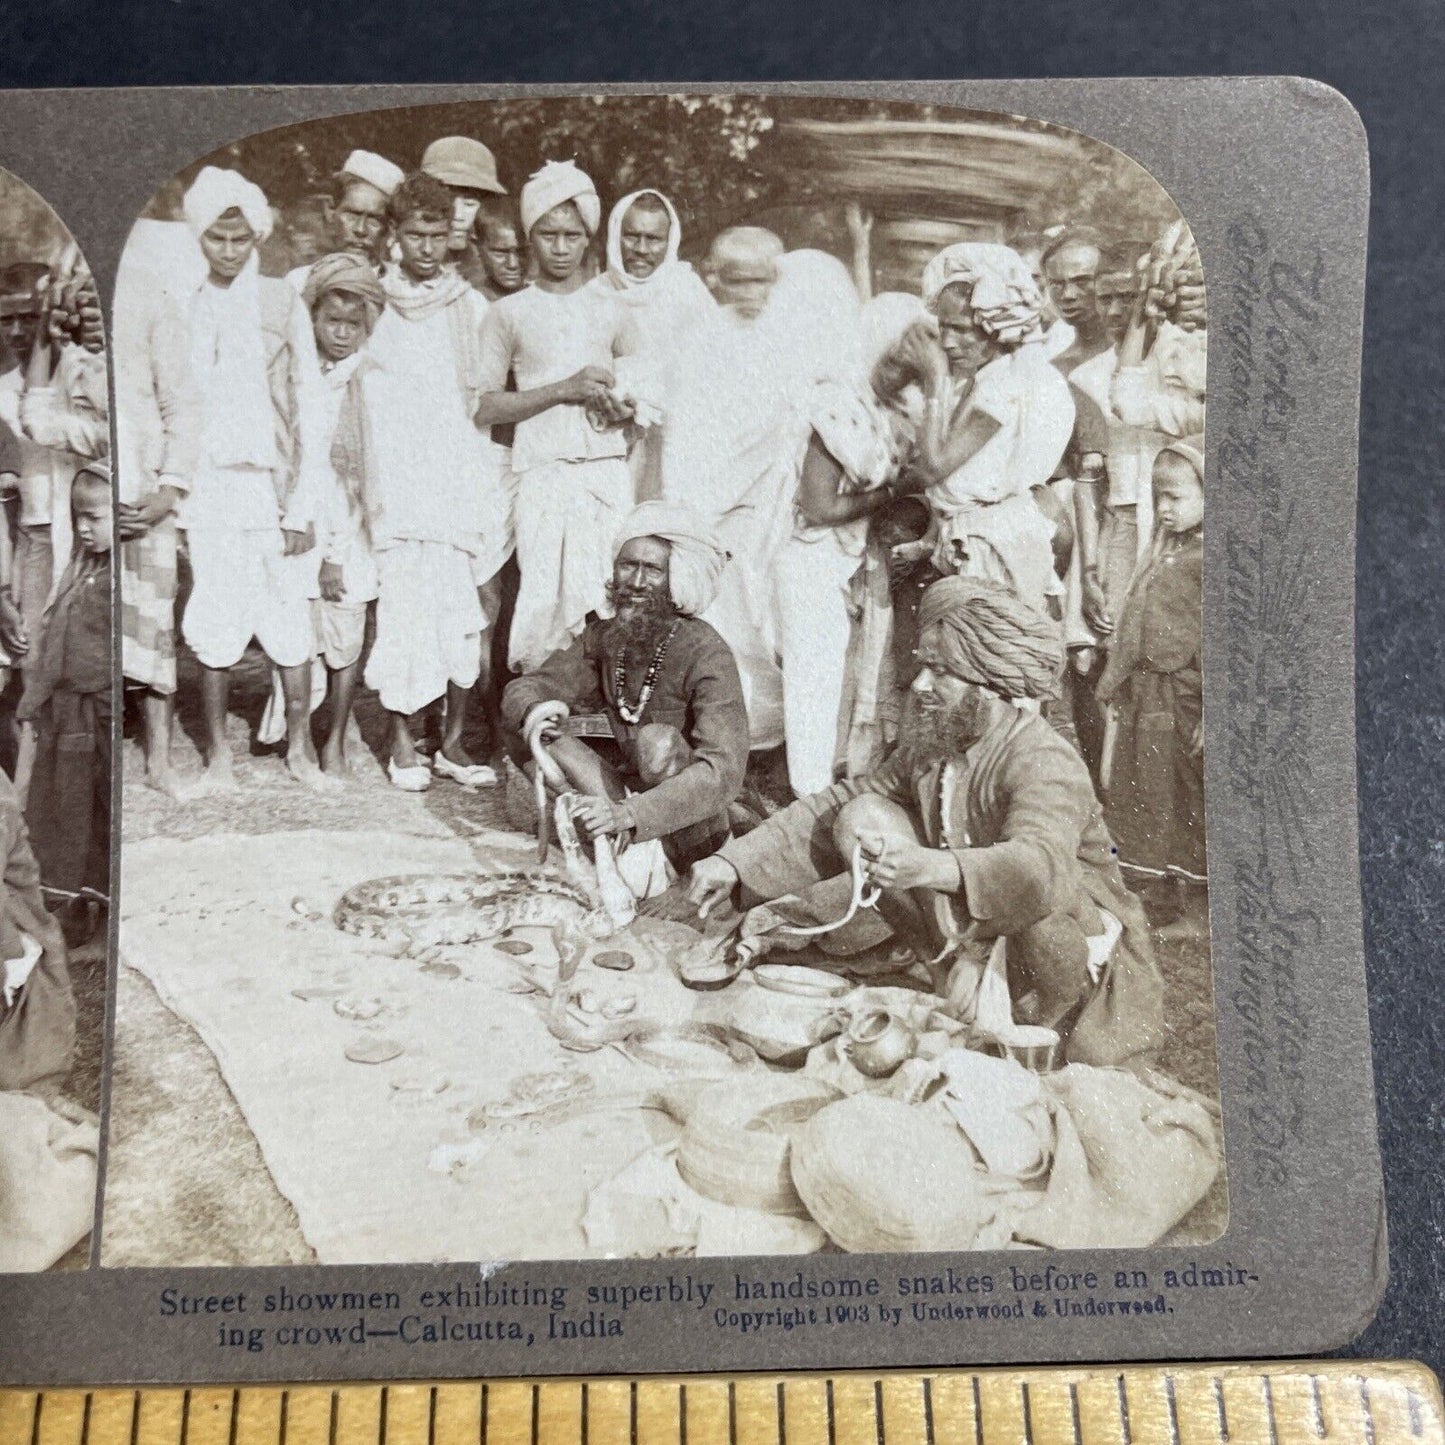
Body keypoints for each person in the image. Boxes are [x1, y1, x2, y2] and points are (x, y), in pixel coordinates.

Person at [688, 575, 1165, 1068]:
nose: (920, 686)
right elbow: (840, 802)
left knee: (1051, 919)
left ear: (990, 684)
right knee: (861, 817)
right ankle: (949, 968)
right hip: (984, 927)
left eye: (940, 672)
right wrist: (733, 862)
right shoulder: (936, 743)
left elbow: (1039, 869)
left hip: (1065, 940)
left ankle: (1047, 1029)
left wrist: (928, 866)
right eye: (923, 668)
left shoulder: (1043, 758)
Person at [711, 292, 929, 796]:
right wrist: (896, 491)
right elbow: (819, 507)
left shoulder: (892, 409)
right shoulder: (836, 403)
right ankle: (807, 795)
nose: (904, 369)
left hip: (849, 554)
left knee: (848, 677)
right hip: (808, 554)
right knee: (815, 681)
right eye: (897, 355)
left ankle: (833, 783)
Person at [334, 173, 510, 790]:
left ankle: (455, 745)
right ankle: (402, 741)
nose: (427, 248)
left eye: (437, 234)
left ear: (451, 236)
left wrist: (476, 485)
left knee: (461, 617)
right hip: (398, 484)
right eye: (415, 235)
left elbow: (481, 403)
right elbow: (358, 393)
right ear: (395, 235)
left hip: (457, 480)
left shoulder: (471, 306)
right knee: (404, 616)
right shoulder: (373, 303)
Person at [502, 501, 745, 902]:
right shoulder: (603, 635)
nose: (635, 581)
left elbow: (722, 773)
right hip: (622, 802)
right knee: (538, 729)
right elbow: (531, 686)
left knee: (658, 743)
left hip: (686, 824)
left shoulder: (707, 652)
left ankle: (667, 863)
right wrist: (535, 709)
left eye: (653, 570)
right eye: (628, 565)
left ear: (677, 580)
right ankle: (618, 850)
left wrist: (632, 816)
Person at [176, 165, 329, 794]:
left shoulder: (279, 300)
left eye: (240, 239)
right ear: (200, 238)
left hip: (274, 486)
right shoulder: (185, 303)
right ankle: (218, 759)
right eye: (218, 239)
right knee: (214, 618)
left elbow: (309, 402)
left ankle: (301, 751)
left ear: (257, 237)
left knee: (288, 618)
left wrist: (302, 507)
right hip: (211, 490)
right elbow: (177, 401)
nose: (230, 251)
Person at [475, 160, 640, 674]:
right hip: (541, 472)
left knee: (605, 594)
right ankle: (534, 719)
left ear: (589, 238)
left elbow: (641, 398)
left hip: (604, 471)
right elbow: (484, 405)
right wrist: (563, 390)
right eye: (549, 234)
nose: (562, 247)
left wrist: (623, 408)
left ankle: (601, 723)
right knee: (542, 598)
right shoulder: (508, 313)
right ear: (531, 238)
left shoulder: (613, 308)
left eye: (573, 235)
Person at [909, 242, 1075, 616]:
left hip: (992, 547)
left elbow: (934, 467)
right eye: (942, 327)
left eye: (961, 329)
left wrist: (934, 380)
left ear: (995, 327)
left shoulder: (1005, 386)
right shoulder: (985, 379)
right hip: (970, 538)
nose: (947, 342)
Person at [1096, 439, 1206, 942]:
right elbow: (1137, 622)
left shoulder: (1211, 559)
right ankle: (1149, 885)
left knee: (1174, 794)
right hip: (1147, 695)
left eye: (1176, 497)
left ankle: (1181, 897)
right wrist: (1117, 677)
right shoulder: (1165, 553)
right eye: (1158, 496)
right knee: (1143, 790)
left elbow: (1221, 641)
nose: (1164, 508)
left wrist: (1211, 709)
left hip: (1181, 696)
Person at [295, 254, 385, 776]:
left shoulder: (364, 380)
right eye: (332, 321)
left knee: (346, 633)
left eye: (353, 324)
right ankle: (302, 734)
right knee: (305, 631)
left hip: (348, 530)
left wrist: (333, 554)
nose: (341, 333)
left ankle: (334, 736)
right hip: (306, 516)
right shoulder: (306, 374)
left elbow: (354, 476)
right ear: (314, 318)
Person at [18, 463, 111, 952]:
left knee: (102, 811)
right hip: (71, 718)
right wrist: (35, 698)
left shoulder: (122, 584)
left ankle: (105, 902)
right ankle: (74, 906)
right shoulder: (79, 578)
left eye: (94, 517)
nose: (82, 527)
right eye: (78, 517)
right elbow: (55, 649)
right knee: (67, 812)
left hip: (103, 716)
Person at [114, 284, 201, 798]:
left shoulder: (149, 298)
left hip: (146, 499)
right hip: (86, 496)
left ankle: (159, 762)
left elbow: (182, 405)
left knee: (152, 628)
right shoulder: (69, 296)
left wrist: (168, 490)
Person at [587, 189, 716, 501]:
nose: (641, 249)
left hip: (676, 449)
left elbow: (710, 378)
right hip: (606, 444)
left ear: (669, 241)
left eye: (653, 239)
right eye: (631, 236)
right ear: (616, 234)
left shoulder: (688, 295)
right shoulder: (593, 295)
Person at [659, 226, 789, 525]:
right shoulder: (701, 337)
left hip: (771, 483)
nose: (750, 293)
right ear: (717, 280)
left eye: (760, 281)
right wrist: (674, 495)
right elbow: (681, 421)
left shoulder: (788, 334)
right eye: (737, 282)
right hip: (716, 480)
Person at [285, 150, 406, 290]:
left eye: (374, 220)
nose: (360, 230)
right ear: (330, 211)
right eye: (352, 215)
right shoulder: (299, 282)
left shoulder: (400, 287)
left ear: (390, 226)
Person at [420, 136, 508, 291]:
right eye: (448, 201)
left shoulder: (497, 272)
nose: (458, 216)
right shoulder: (395, 265)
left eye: (469, 204)